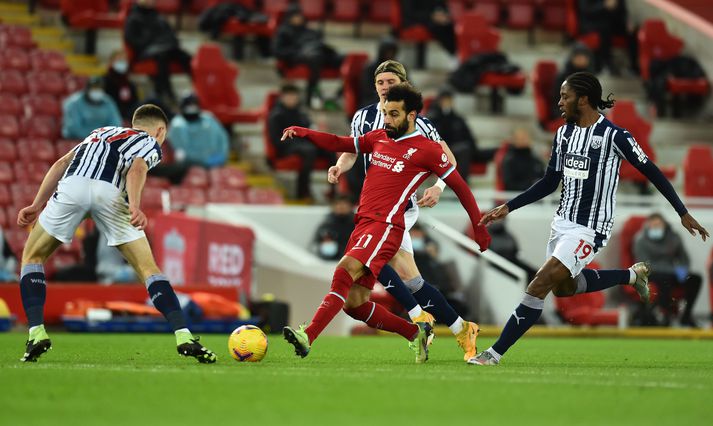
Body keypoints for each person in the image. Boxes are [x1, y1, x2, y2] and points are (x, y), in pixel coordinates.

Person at [469, 71, 709, 366]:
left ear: (583, 99)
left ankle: (493, 354)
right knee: (564, 288)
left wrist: (681, 212)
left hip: (590, 228)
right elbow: (549, 181)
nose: (559, 102)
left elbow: (651, 171)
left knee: (539, 284)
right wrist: (509, 206)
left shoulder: (615, 136)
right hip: (562, 223)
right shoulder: (563, 134)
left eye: (565, 96)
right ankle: (631, 275)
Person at [281, 83, 491, 363]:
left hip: (387, 225)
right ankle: (416, 331)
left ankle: (309, 335)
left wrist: (478, 228)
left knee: (345, 271)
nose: (387, 119)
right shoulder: (379, 136)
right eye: (385, 113)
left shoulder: (427, 150)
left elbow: (462, 188)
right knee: (355, 304)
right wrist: (304, 133)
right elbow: (340, 143)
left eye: (394, 114)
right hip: (363, 223)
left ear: (412, 115)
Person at [15, 104, 216, 363]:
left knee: (32, 257)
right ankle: (183, 335)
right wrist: (134, 206)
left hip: (73, 185)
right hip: (111, 193)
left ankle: (36, 332)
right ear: (160, 130)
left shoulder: (100, 131)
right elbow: (137, 168)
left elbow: (62, 162)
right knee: (148, 269)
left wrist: (36, 203)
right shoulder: (149, 142)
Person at [328, 60, 482, 362]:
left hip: (400, 207)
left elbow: (448, 159)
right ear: (375, 86)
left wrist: (437, 188)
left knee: (372, 257)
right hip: (372, 204)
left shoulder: (419, 122)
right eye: (381, 82)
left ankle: (417, 317)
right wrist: (340, 166)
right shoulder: (363, 117)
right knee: (411, 279)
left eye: (391, 82)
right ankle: (461, 327)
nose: (385, 87)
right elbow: (353, 149)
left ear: (403, 85)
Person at [633, 213, 702, 327]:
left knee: (695, 279)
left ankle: (686, 316)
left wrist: (682, 271)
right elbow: (644, 264)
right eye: (653, 225)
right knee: (664, 280)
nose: (656, 228)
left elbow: (684, 259)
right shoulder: (640, 240)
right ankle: (665, 315)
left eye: (659, 225)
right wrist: (673, 271)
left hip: (673, 272)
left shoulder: (674, 238)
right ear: (648, 226)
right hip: (652, 274)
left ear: (665, 226)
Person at [267, 83, 334, 200]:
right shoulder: (276, 115)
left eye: (294, 97)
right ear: (282, 97)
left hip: (304, 143)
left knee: (330, 149)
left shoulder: (301, 113)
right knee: (309, 151)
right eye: (289, 96)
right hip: (286, 147)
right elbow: (276, 140)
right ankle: (302, 191)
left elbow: (309, 129)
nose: (292, 100)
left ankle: (333, 190)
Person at [272, 6, 343, 109]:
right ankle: (310, 96)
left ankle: (337, 96)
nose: (298, 18)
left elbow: (319, 42)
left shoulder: (309, 30)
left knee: (344, 60)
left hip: (319, 51)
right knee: (315, 58)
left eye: (299, 16)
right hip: (299, 56)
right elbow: (278, 51)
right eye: (295, 16)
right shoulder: (284, 32)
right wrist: (296, 52)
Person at [123, 0, 193, 103]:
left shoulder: (158, 16)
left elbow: (170, 33)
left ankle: (198, 87)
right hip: (145, 51)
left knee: (185, 56)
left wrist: (170, 41)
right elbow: (131, 39)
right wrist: (151, 42)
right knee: (162, 55)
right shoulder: (133, 17)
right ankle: (166, 93)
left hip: (164, 47)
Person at [427, 88, 496, 179]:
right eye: (445, 100)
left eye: (450, 100)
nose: (448, 103)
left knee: (497, 151)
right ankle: (461, 184)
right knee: (464, 149)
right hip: (445, 150)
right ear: (439, 101)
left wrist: (473, 149)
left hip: (464, 148)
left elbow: (469, 137)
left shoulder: (458, 119)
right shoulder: (433, 118)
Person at [167, 93, 230, 169]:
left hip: (215, 162)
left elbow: (222, 138)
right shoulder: (177, 125)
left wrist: (220, 156)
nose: (191, 108)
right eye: (189, 105)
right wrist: (202, 161)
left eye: (193, 105)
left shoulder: (209, 119)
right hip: (189, 166)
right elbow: (180, 149)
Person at [552, 44, 595, 119]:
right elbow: (559, 99)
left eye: (584, 57)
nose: (581, 59)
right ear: (572, 58)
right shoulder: (564, 77)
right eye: (578, 56)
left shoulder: (589, 76)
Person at [312, 195, 355, 261]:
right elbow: (317, 242)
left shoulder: (356, 224)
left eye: (344, 204)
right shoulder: (327, 224)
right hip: (330, 261)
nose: (341, 207)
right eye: (338, 204)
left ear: (351, 206)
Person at [360, 36, 399, 107]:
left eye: (392, 52)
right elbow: (368, 91)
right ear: (382, 52)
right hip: (373, 101)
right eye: (388, 52)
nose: (390, 55)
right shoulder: (371, 68)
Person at [103, 49, 140, 122]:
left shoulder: (130, 84)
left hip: (129, 115)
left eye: (124, 61)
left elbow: (135, 103)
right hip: (111, 114)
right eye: (119, 61)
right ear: (111, 62)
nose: (122, 63)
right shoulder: (104, 81)